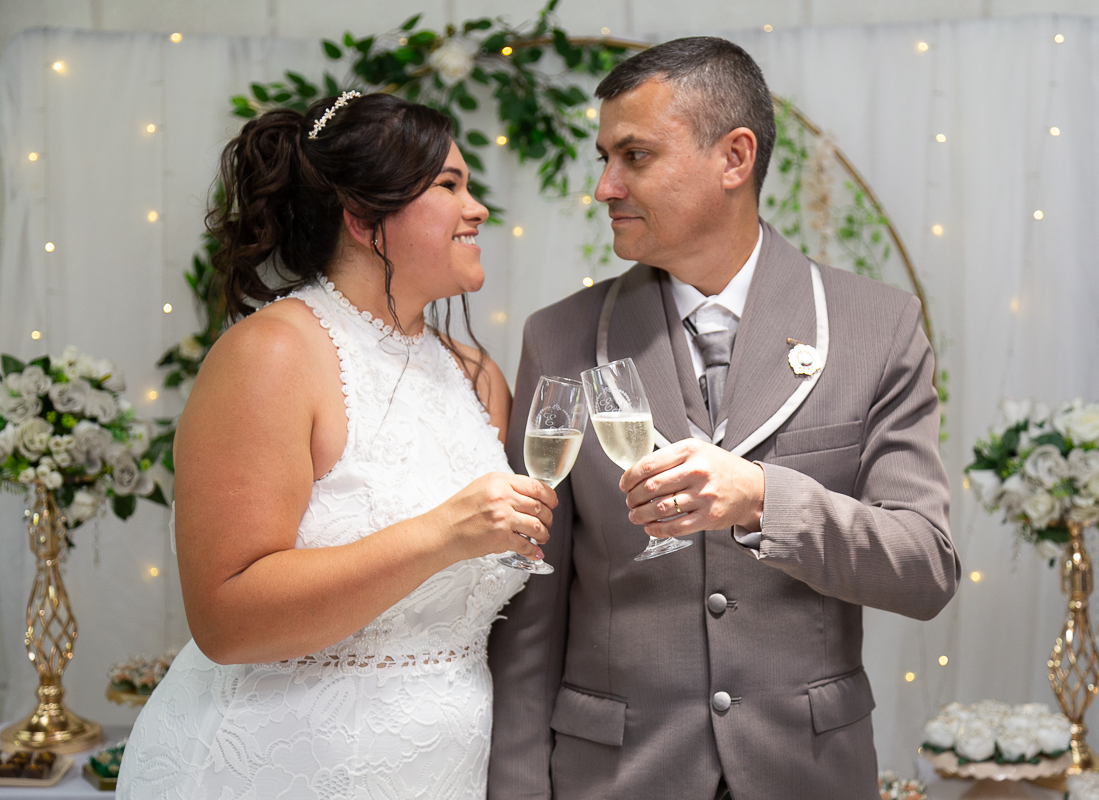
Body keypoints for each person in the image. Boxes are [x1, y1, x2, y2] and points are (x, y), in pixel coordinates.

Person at [488, 37, 960, 799]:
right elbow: (529, 606)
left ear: (734, 157)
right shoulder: (560, 337)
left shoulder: (880, 326)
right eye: (603, 156)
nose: (605, 186)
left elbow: (925, 568)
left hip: (806, 775)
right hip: (613, 777)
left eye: (634, 156)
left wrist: (764, 499)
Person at [117, 92, 557, 799]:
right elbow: (227, 621)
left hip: (439, 771)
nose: (476, 209)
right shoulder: (273, 353)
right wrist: (443, 533)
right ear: (363, 220)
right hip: (275, 768)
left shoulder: (477, 376)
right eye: (449, 186)